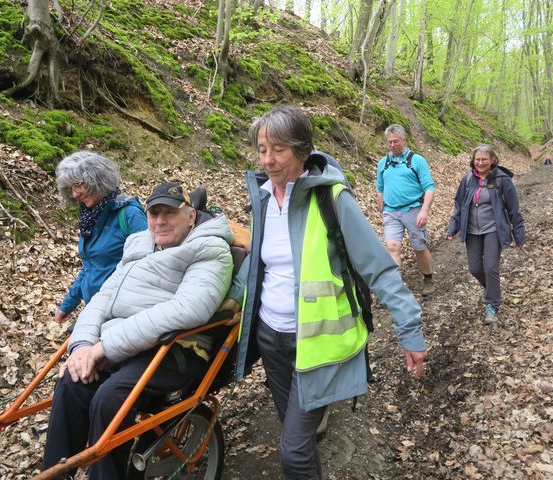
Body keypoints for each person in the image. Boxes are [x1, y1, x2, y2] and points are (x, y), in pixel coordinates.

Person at [223, 105, 427, 480]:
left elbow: (378, 266)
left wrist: (409, 329)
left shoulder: (331, 198)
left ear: (302, 150)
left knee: (293, 453)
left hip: (317, 345)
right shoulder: (263, 199)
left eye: (278, 150)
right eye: (262, 149)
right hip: (272, 340)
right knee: (295, 440)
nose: (267, 160)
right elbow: (258, 269)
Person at [42, 182, 234, 479]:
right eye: (154, 213)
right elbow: (103, 298)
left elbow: (188, 309)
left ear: (191, 216)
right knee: (71, 381)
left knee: (110, 398)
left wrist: (103, 348)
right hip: (124, 344)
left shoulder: (209, 249)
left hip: (176, 350)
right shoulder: (139, 244)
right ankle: (56, 473)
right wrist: (81, 346)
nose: (160, 221)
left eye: (170, 213)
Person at [54, 151, 147, 323]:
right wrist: (68, 304)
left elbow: (147, 267)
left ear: (97, 179)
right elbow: (91, 266)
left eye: (79, 185)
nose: (75, 194)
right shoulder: (90, 217)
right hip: (95, 308)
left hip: (120, 313)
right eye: (70, 188)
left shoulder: (129, 214)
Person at [447, 144, 526, 325]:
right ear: (473, 161)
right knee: (475, 268)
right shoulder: (467, 179)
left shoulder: (502, 180)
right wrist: (453, 227)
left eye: (484, 159)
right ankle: (492, 288)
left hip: (493, 230)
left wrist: (519, 236)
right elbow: (458, 205)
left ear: (492, 161)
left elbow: (514, 210)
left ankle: (491, 306)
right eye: (477, 159)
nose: (480, 163)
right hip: (472, 231)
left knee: (491, 267)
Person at [376, 124, 436, 296]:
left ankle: (428, 278)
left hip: (413, 210)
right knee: (392, 246)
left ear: (404, 140)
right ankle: (395, 288)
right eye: (389, 142)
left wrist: (424, 211)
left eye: (396, 141)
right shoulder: (383, 163)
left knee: (418, 246)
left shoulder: (416, 161)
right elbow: (380, 187)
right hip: (391, 212)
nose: (392, 145)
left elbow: (429, 188)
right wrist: (382, 209)